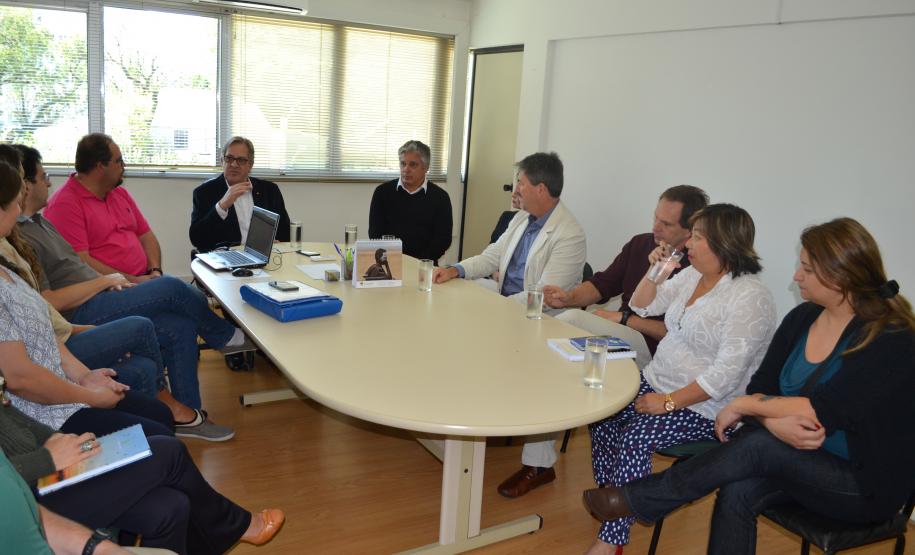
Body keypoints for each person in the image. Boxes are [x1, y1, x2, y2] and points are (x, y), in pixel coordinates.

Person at [582, 217, 915, 555]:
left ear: (843, 275)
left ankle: (636, 498)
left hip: (861, 484)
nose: (796, 276)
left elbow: (823, 409)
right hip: (792, 454)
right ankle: (632, 502)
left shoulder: (892, 337)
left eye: (808, 270)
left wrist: (743, 406)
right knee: (738, 488)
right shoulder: (802, 319)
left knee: (757, 446)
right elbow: (761, 386)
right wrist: (771, 421)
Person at [582, 203, 776, 555]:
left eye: (698, 237)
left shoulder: (750, 297)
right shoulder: (692, 276)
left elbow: (726, 374)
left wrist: (668, 402)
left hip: (706, 407)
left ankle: (610, 541)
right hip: (656, 380)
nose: (688, 243)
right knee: (602, 413)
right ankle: (615, 498)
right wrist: (656, 271)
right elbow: (640, 305)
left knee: (636, 436)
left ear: (724, 244)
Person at [6, 144, 231, 441]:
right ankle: (225, 336)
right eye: (42, 176)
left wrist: (149, 274)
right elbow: (50, 302)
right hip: (89, 303)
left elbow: (145, 235)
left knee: (180, 324)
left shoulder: (39, 221)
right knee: (175, 289)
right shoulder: (35, 228)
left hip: (109, 290)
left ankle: (188, 414)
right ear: (22, 185)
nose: (49, 181)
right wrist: (110, 281)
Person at [432, 151, 587, 498]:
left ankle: (539, 466)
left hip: (542, 320)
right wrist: (456, 269)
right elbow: (491, 257)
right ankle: (461, 416)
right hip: (506, 305)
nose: (516, 188)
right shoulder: (522, 219)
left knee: (536, 372)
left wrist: (492, 309)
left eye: (521, 182)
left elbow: (542, 297)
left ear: (541, 188)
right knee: (455, 298)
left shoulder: (569, 234)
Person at [0, 374, 285, 554]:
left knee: (169, 506)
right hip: (25, 497)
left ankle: (226, 530)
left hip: (49, 472)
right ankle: (239, 525)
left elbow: (16, 423)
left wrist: (76, 445)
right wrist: (48, 458)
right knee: (167, 449)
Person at [0, 159, 172, 440]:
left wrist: (85, 376)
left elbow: (46, 331)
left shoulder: (9, 267)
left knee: (161, 416)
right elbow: (20, 379)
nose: (19, 207)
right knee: (160, 439)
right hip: (44, 413)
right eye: (14, 202)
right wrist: (89, 395)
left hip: (66, 384)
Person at [544, 185, 709, 361]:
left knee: (573, 319)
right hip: (621, 331)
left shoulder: (697, 266)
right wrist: (569, 298)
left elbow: (679, 332)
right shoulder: (640, 244)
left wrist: (623, 318)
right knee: (566, 325)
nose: (655, 227)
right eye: (656, 217)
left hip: (654, 347)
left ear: (689, 230)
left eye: (666, 224)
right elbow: (602, 285)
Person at [43, 133, 162, 282]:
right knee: (180, 295)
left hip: (142, 279)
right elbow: (81, 263)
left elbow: (146, 235)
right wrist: (133, 281)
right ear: (100, 166)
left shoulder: (119, 193)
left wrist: (155, 271)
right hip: (108, 289)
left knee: (183, 292)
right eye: (119, 161)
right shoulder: (65, 205)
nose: (124, 166)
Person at [189, 136, 290, 253]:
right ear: (222, 161)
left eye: (241, 160)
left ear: (250, 165)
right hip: (224, 259)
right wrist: (221, 206)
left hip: (263, 256)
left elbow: (285, 232)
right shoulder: (204, 192)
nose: (234, 164)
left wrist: (277, 243)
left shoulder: (270, 191)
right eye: (229, 158)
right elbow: (196, 239)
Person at [368, 140, 452, 263]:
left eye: (413, 165)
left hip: (424, 265)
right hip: (389, 263)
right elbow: (375, 234)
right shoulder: (382, 192)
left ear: (426, 167)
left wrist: (416, 262)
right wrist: (394, 260)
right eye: (403, 164)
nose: (406, 169)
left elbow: (443, 239)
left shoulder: (440, 197)